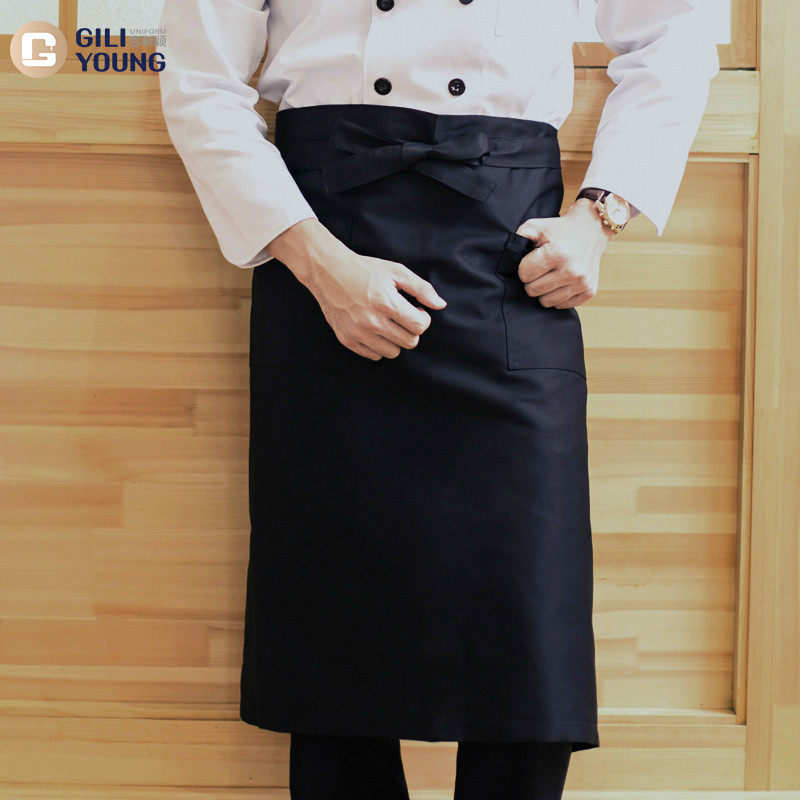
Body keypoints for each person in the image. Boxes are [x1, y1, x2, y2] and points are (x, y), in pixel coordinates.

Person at [157, 2, 719, 797]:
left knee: (526, 620)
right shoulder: (321, 266)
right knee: (337, 622)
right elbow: (200, 82)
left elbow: (676, 31)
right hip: (324, 240)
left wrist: (600, 215)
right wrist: (321, 266)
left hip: (507, 253)